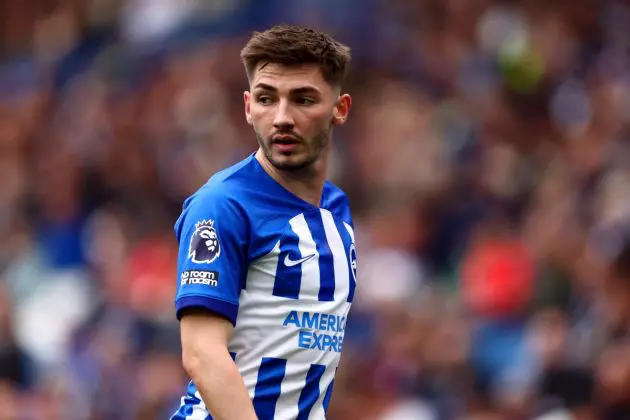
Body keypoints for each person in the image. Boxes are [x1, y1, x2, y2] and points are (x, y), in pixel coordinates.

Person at [170, 24, 356, 420]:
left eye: (303, 99)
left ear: (340, 109)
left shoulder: (336, 211)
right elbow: (202, 354)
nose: (282, 117)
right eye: (267, 98)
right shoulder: (222, 206)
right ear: (247, 106)